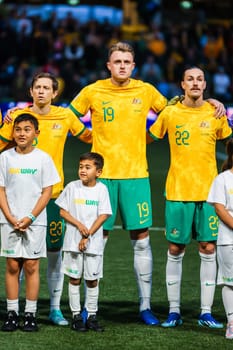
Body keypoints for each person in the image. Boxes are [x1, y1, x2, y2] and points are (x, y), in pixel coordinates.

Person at [68, 42, 226, 325]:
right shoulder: (93, 90)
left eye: (127, 61)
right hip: (100, 180)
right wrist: (86, 137)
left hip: (137, 176)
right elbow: (69, 115)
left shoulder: (146, 90)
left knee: (141, 241)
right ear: (108, 65)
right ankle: (88, 307)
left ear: (134, 65)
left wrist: (213, 102)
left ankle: (145, 307)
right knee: (95, 241)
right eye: (117, 61)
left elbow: (176, 109)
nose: (122, 66)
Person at [0, 72, 92, 326]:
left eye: (46, 88)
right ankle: (15, 310)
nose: (41, 91)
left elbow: (91, 137)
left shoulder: (65, 116)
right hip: (19, 196)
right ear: (30, 92)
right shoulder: (17, 118)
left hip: (53, 195)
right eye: (37, 87)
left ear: (54, 93)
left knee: (53, 251)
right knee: (16, 257)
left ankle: (54, 308)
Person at [148, 66, 232, 328]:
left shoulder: (215, 113)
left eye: (199, 79)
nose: (195, 83)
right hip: (178, 191)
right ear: (182, 85)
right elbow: (148, 139)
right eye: (189, 79)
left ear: (205, 85)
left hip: (209, 195)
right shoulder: (170, 113)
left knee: (208, 249)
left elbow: (230, 147)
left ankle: (205, 312)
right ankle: (174, 310)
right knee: (175, 249)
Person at [0, 113, 60, 332]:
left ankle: (30, 314)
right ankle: (12, 313)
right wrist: (9, 216)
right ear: (13, 132)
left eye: (27, 129)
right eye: (18, 129)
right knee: (12, 264)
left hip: (35, 221)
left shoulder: (43, 158)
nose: (22, 133)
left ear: (36, 133)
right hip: (9, 220)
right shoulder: (5, 158)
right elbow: (1, 190)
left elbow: (47, 191)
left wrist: (31, 217)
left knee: (32, 265)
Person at [55, 152, 112, 332]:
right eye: (81, 167)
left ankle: (92, 315)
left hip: (93, 243)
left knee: (92, 279)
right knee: (74, 278)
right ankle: (76, 315)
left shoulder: (101, 189)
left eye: (88, 167)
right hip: (73, 241)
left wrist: (88, 235)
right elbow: (63, 212)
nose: (83, 170)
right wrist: (80, 226)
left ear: (98, 172)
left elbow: (104, 214)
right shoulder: (72, 187)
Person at [207, 139, 233, 339]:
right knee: (230, 281)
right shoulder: (223, 179)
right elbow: (219, 208)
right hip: (228, 239)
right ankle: (232, 322)